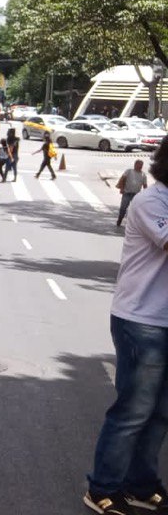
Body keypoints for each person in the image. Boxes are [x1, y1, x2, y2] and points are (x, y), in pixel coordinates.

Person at [84, 143, 168, 514]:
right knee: (134, 410)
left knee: (161, 411)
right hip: (142, 320)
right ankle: (103, 486)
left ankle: (141, 483)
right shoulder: (152, 202)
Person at [116, 160, 149, 227]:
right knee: (123, 208)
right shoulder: (129, 171)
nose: (140, 166)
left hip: (136, 195)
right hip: (127, 193)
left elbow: (145, 185)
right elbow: (123, 179)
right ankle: (120, 219)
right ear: (135, 165)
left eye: (141, 165)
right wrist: (122, 189)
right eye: (139, 165)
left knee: (135, 209)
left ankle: (133, 224)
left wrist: (146, 195)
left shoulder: (143, 175)